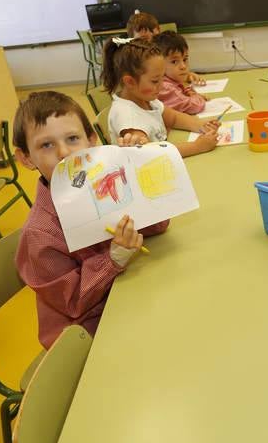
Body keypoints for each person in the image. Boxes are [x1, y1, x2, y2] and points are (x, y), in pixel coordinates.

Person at [13, 91, 169, 348]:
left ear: (92, 141)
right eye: (46, 145)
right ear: (26, 158)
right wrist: (112, 259)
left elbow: (159, 226)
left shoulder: (104, 184)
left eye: (73, 138)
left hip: (127, 295)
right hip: (88, 333)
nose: (64, 153)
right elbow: (73, 301)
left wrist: (136, 169)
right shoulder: (41, 233)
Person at [101, 37, 218, 158]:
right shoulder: (128, 119)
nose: (162, 85)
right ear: (130, 82)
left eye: (163, 77)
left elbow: (173, 118)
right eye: (155, 81)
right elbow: (153, 154)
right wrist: (197, 146)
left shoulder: (145, 99)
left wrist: (199, 124)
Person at [125, 10, 204, 84]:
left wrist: (186, 75)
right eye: (144, 39)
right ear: (131, 40)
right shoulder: (132, 62)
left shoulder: (161, 54)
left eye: (155, 36)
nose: (152, 42)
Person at [153, 30, 207, 115]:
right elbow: (195, 106)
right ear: (158, 64)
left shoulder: (171, 80)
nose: (183, 66)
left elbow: (182, 98)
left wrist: (192, 94)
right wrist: (194, 95)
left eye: (185, 59)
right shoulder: (165, 87)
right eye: (174, 61)